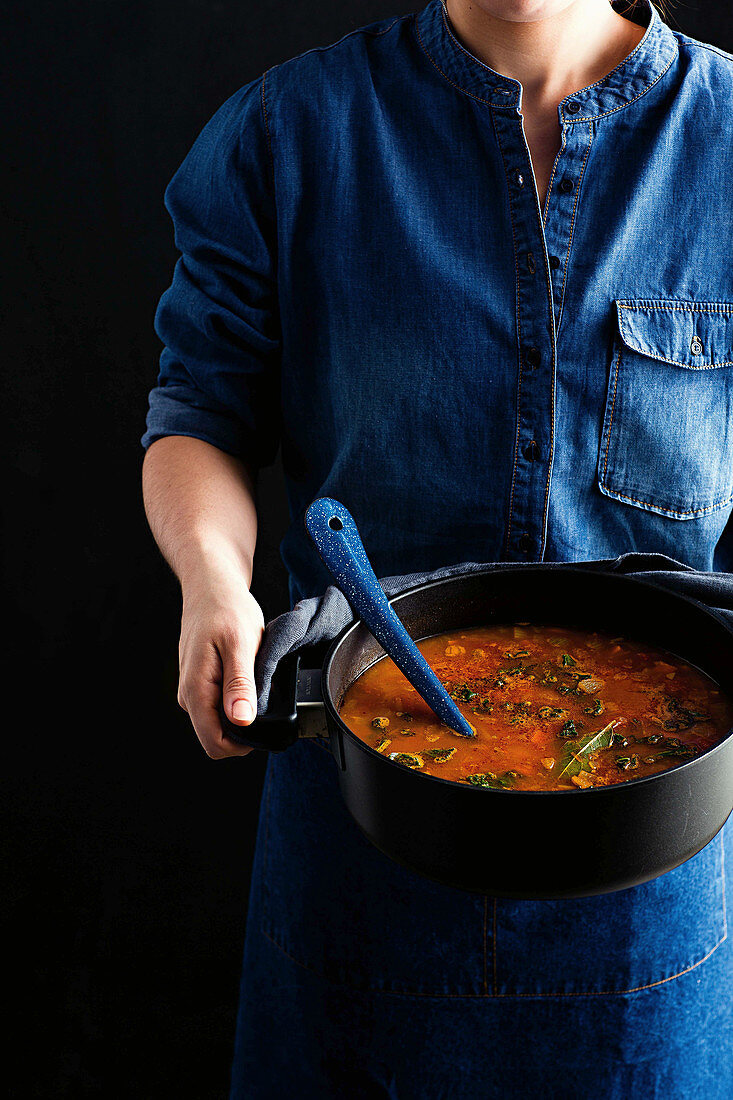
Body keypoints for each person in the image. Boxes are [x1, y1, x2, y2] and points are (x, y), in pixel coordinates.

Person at [141, 0, 733, 1094]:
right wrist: (212, 583)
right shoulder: (289, 130)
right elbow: (199, 413)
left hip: (651, 896)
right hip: (360, 857)